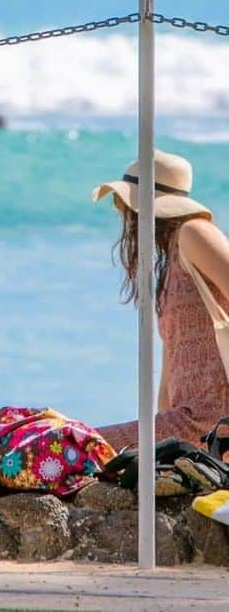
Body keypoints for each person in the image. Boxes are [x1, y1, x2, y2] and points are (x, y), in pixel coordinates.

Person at [94, 150, 229, 451]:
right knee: (67, 442)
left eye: (125, 204)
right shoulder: (171, 267)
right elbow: (169, 378)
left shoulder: (193, 233)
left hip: (211, 422)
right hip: (185, 424)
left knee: (67, 445)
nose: (122, 214)